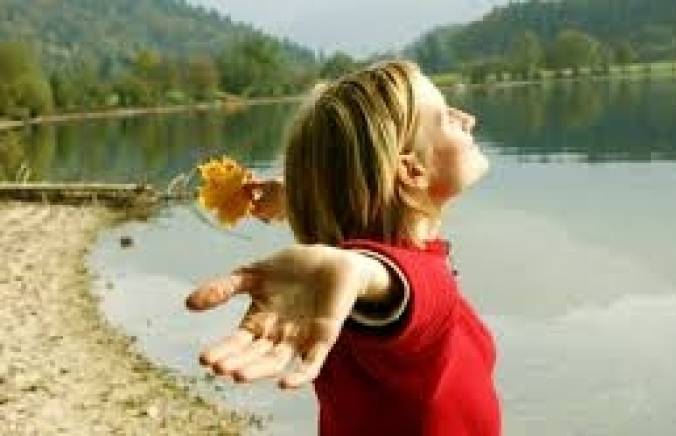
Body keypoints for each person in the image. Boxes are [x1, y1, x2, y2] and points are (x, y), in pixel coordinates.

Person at [185, 60, 500, 435]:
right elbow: (389, 283)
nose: (467, 118)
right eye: (445, 118)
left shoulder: (333, 287)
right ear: (412, 170)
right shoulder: (405, 284)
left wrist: (298, 194)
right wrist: (357, 270)